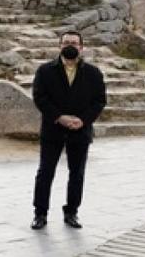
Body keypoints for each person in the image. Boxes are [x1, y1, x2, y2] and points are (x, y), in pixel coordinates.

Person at [31, 30, 107, 230]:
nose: (70, 45)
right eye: (66, 43)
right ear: (59, 46)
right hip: (53, 129)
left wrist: (83, 120)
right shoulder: (45, 71)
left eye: (74, 42)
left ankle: (72, 212)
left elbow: (99, 101)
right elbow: (40, 97)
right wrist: (59, 117)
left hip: (80, 131)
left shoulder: (93, 73)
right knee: (45, 172)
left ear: (82, 47)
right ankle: (40, 213)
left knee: (77, 174)